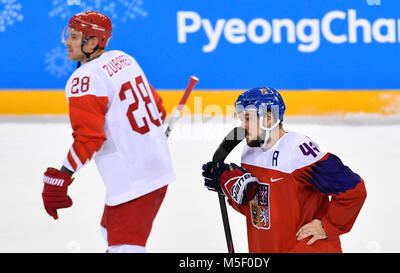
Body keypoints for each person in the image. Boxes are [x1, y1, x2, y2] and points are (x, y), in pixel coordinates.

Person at [41, 11, 175, 253]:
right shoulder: (124, 59)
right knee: (107, 232)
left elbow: (89, 138)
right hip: (153, 171)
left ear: (93, 42)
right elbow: (158, 109)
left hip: (135, 182)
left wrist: (63, 176)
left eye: (73, 37)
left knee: (125, 248)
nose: (66, 42)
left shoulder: (85, 79)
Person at [202, 87, 367, 253]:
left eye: (247, 119)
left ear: (267, 118)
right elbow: (262, 214)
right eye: (241, 120)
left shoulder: (297, 150)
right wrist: (233, 191)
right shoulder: (250, 153)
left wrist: (329, 226)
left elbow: (354, 190)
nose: (242, 126)